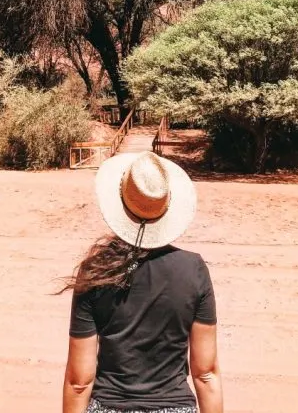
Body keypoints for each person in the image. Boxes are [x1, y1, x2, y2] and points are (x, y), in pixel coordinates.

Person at [61, 150, 224, 413]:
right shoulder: (193, 269)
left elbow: (79, 382)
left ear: (121, 202)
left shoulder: (96, 271)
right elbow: (205, 374)